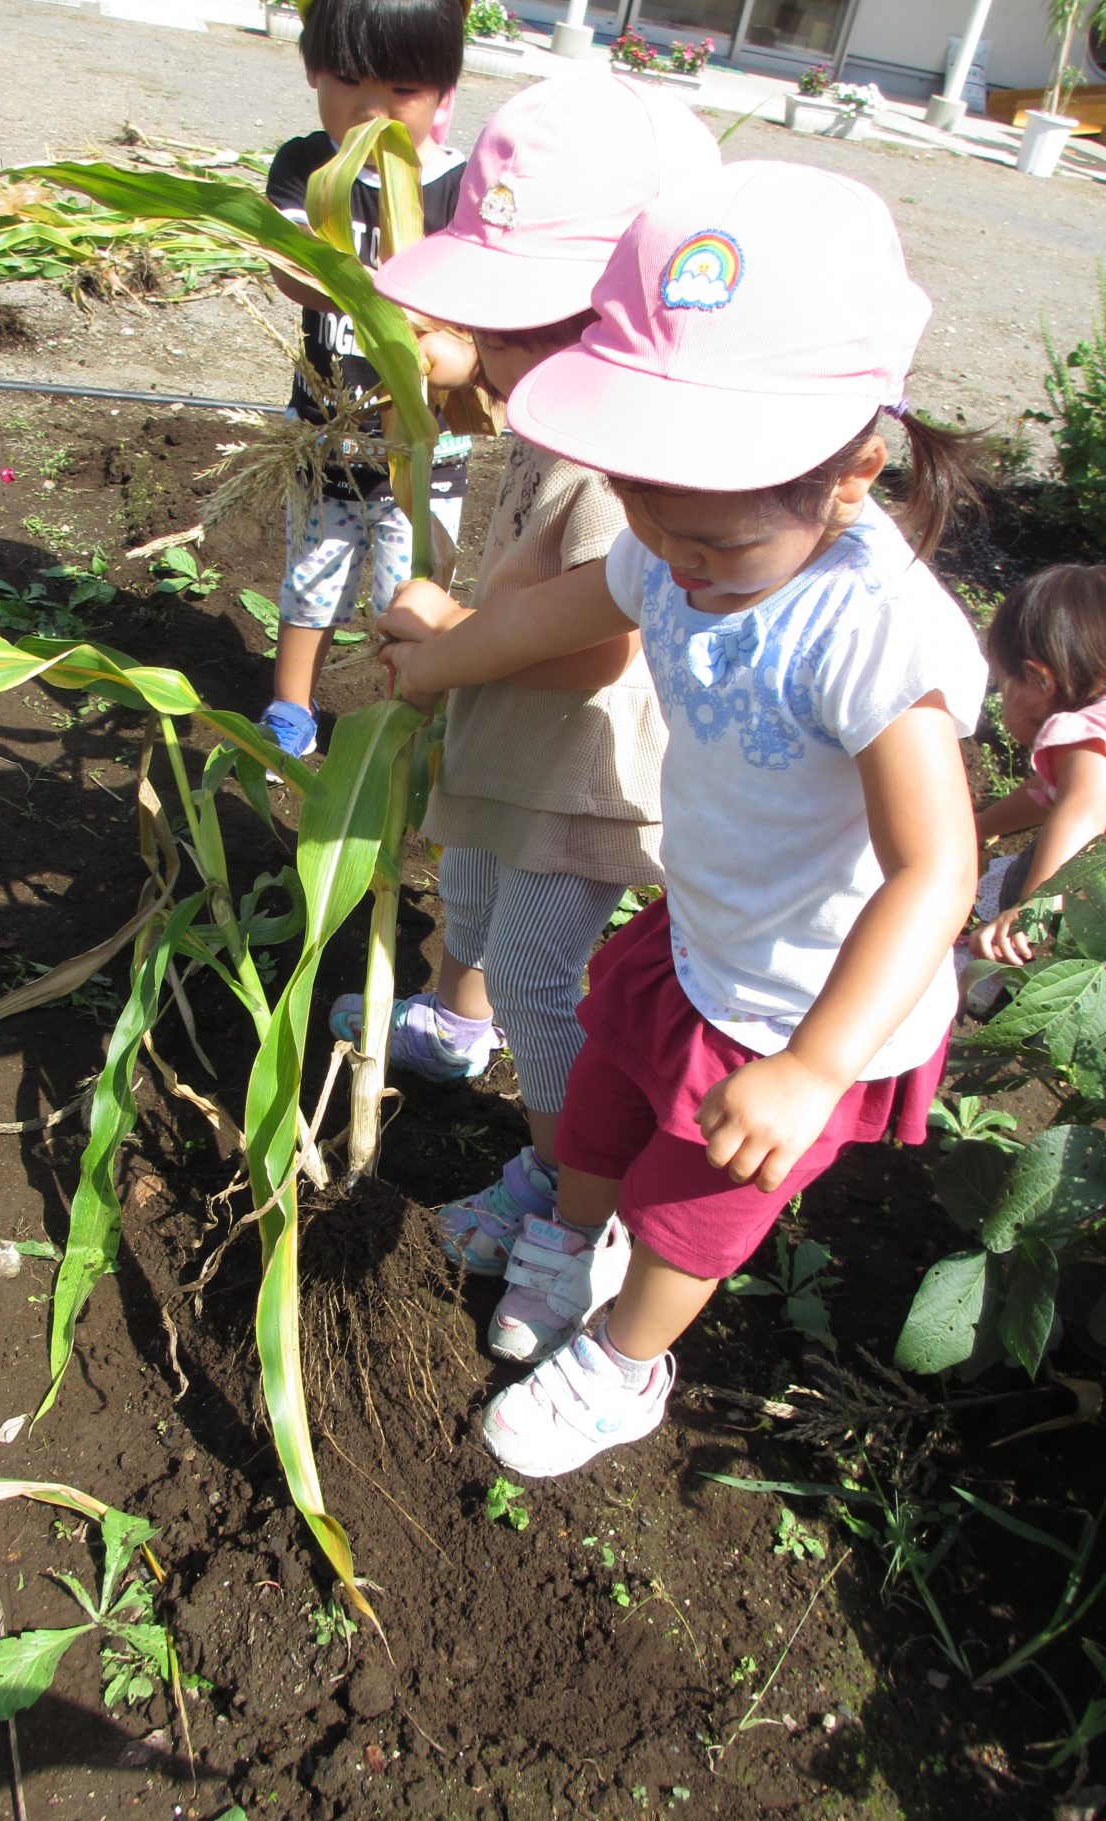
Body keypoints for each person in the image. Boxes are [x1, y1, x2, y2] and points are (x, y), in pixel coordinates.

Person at [376, 162, 987, 1477]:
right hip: (699, 937)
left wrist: (814, 1065)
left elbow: (936, 871)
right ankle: (565, 1233)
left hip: (807, 1006)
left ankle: (624, 1366)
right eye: (648, 510)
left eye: (711, 542)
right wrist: (441, 659)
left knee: (686, 1217)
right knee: (600, 1110)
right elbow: (564, 612)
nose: (671, 555)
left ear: (852, 475)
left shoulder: (877, 636)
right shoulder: (680, 533)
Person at [327, 71, 720, 1302]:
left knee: (543, 980)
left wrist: (451, 630)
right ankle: (461, 1027)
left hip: (580, 773)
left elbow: (599, 645)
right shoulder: (555, 413)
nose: (484, 354)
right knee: (478, 905)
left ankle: (560, 1184)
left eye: (506, 327)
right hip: (516, 747)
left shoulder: (618, 464)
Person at [260, 0, 471, 763]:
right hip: (325, 439)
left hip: (426, 450)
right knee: (312, 577)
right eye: (349, 81)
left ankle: (401, 727)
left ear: (444, 93)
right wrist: (374, 292)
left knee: (406, 594)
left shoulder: (462, 188)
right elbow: (290, 270)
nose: (372, 110)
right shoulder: (306, 166)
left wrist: (448, 347)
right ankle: (290, 711)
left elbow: (474, 323)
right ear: (312, 70)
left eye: (403, 91)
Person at [968, 565, 1106, 968]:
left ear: (1037, 680)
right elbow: (1048, 793)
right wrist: (981, 825)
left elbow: (1083, 807)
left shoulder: (1081, 732)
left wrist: (1033, 907)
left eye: (1001, 684)